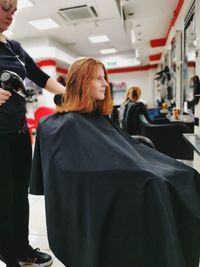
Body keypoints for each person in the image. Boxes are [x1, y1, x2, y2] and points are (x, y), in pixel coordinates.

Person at [30, 57, 200, 267]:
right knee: (154, 185)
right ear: (82, 82)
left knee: (187, 175)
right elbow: (76, 170)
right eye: (98, 79)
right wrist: (139, 171)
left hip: (129, 167)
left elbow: (115, 149)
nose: (105, 84)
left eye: (105, 78)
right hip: (105, 186)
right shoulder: (61, 125)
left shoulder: (96, 116)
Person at [0, 0, 65, 266]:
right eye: (5, 7)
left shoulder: (13, 48)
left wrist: (71, 94)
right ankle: (8, 254)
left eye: (14, 11)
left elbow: (39, 76)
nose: (10, 15)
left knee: (19, 196)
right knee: (3, 198)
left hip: (19, 131)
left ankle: (22, 248)